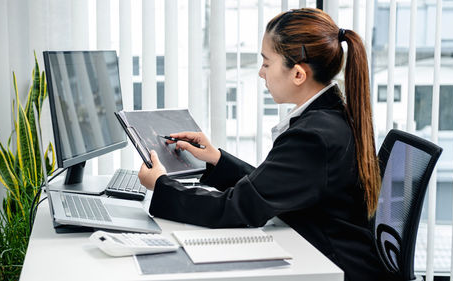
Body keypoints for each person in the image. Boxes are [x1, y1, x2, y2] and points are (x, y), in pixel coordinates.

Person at [138, 8, 388, 281]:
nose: (260, 73)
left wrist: (160, 185)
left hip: (336, 267)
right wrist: (217, 160)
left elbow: (237, 209)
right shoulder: (328, 118)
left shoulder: (314, 137)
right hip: (328, 253)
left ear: (298, 74)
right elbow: (273, 187)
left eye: (267, 63)